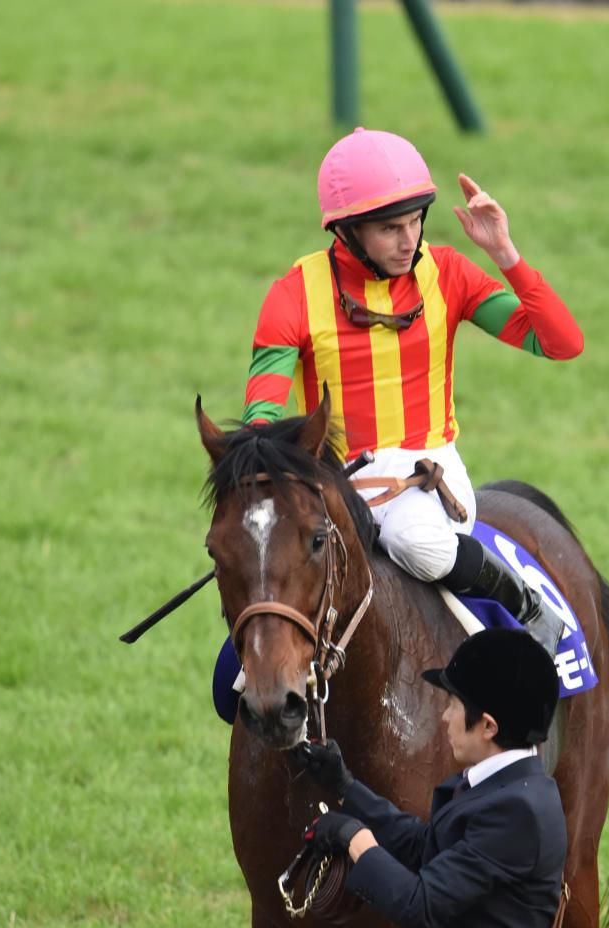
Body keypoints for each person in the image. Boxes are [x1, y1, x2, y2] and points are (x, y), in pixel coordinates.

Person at [244, 127, 584, 651]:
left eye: (414, 222)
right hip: (333, 490)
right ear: (347, 230)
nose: (409, 242)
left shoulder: (447, 272)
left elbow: (561, 342)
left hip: (425, 480)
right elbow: (261, 425)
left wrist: (506, 255)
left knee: (415, 543)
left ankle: (523, 603)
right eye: (389, 229)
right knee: (237, 673)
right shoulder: (292, 296)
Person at [295, 628, 577, 928]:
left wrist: (353, 838)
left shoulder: (516, 812)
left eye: (453, 704)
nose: (443, 716)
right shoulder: (500, 786)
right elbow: (426, 844)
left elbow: (419, 903)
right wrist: (345, 787)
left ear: (488, 726)